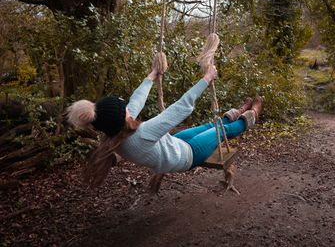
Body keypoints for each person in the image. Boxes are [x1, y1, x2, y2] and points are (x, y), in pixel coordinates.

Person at [66, 53, 262, 188]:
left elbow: (136, 101)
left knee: (210, 126)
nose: (128, 109)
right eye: (124, 109)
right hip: (188, 156)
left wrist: (152, 75)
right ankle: (250, 116)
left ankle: (238, 111)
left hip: (175, 144)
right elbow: (180, 108)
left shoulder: (114, 134)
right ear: (121, 117)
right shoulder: (142, 134)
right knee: (220, 132)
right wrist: (206, 78)